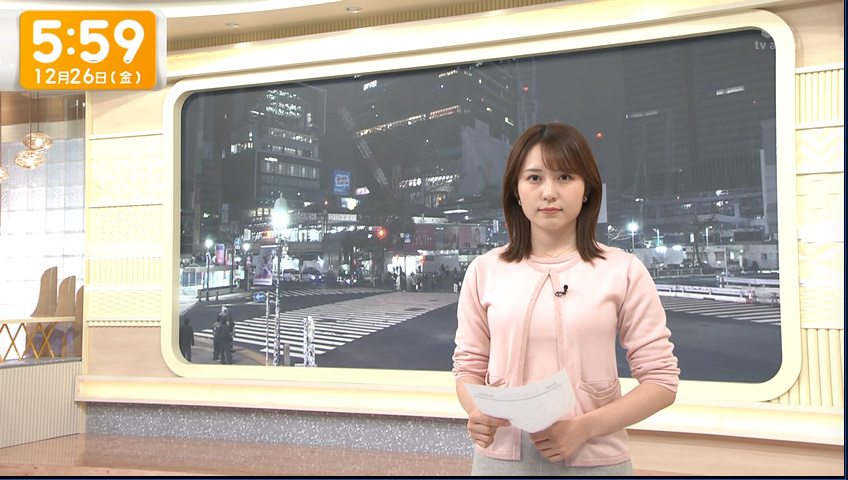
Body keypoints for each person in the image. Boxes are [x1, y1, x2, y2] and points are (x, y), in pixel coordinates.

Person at [452, 123, 679, 476]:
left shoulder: (623, 270)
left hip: (596, 459)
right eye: (534, 178)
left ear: (587, 189)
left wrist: (583, 428)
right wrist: (476, 411)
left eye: (564, 177)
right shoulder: (484, 270)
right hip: (500, 461)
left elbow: (661, 382)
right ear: (515, 190)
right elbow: (468, 367)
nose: (549, 193)